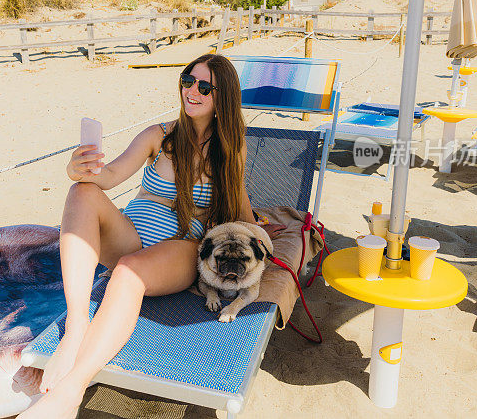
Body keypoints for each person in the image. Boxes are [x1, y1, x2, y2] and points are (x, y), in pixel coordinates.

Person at [18, 54, 283, 418]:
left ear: (222, 97)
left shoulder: (228, 151)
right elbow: (108, 176)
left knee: (128, 271)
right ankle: (77, 325)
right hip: (129, 236)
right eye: (187, 81)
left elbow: (240, 212)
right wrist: (76, 168)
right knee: (82, 192)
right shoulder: (159, 136)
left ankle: (72, 388)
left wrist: (260, 228)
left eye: (204, 87)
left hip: (176, 252)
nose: (192, 91)